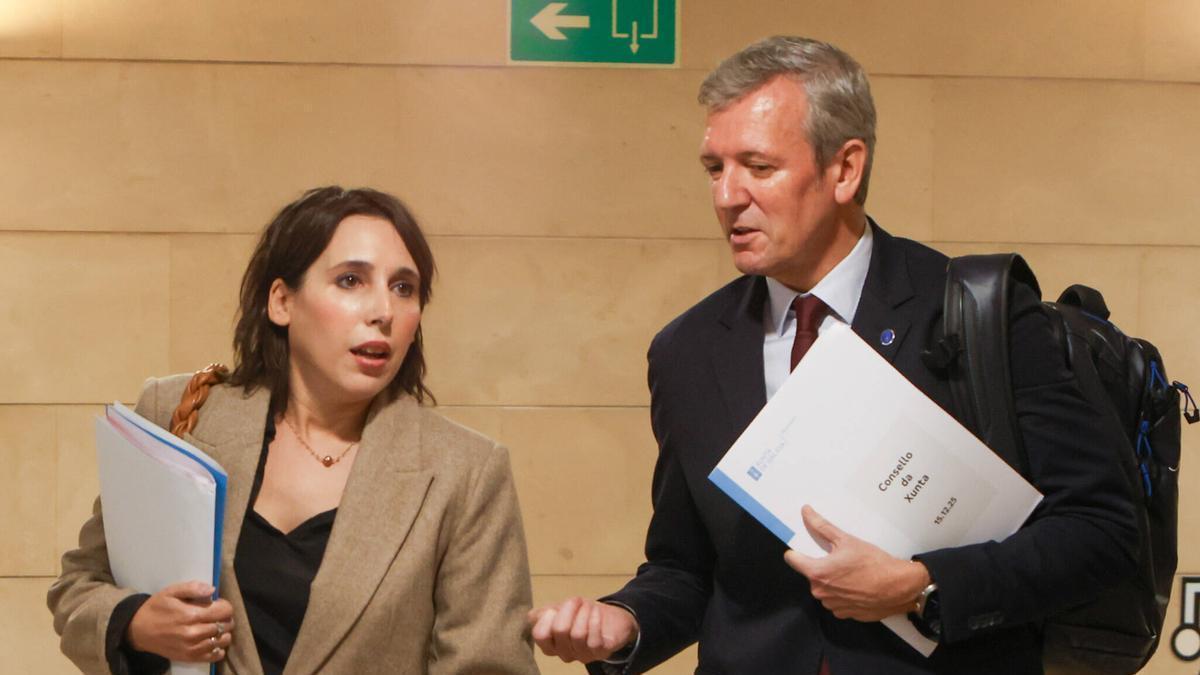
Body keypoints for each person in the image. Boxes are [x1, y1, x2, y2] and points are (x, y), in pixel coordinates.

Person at [529, 36, 1139, 674]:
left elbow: (1100, 532)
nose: (727, 195)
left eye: (758, 167)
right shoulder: (688, 349)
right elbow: (687, 567)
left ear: (845, 169)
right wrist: (625, 622)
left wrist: (923, 586)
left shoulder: (978, 313)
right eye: (714, 168)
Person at [49, 186, 538, 675]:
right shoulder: (179, 414)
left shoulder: (466, 472)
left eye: (403, 288)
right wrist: (136, 624)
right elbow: (80, 586)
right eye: (351, 280)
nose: (384, 311)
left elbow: (488, 664)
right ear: (282, 301)